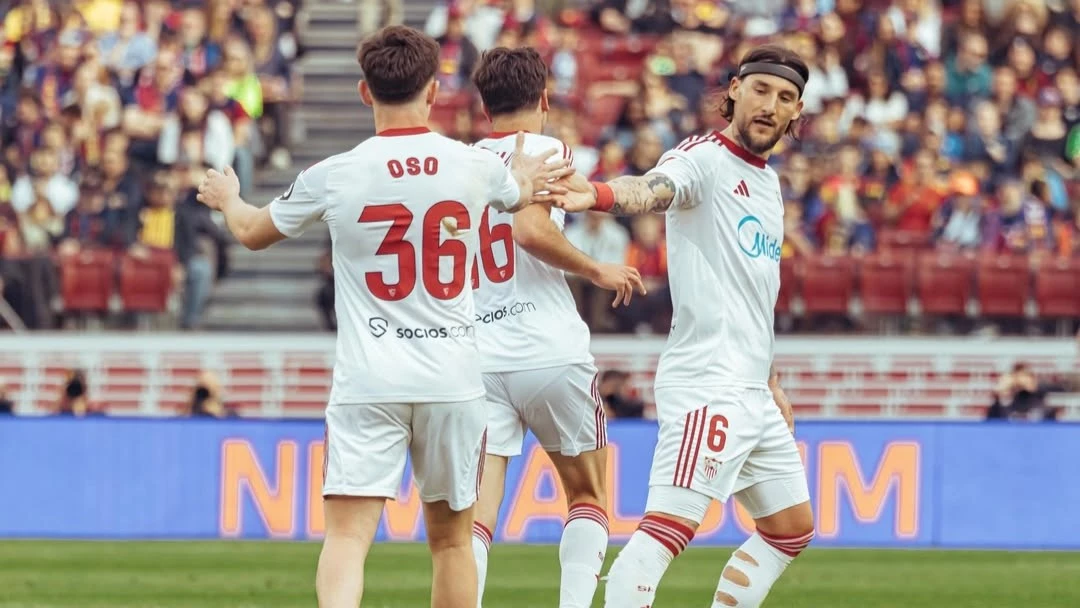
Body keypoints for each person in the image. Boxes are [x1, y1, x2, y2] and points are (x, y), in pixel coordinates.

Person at [195, 25, 573, 608]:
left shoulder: (335, 173)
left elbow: (250, 231)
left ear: (365, 92)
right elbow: (518, 193)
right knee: (453, 543)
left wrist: (227, 198)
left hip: (369, 379)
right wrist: (523, 175)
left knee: (347, 538)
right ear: (434, 89)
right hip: (452, 379)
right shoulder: (471, 165)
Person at [542, 45, 816, 608]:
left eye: (785, 97)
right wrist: (598, 194)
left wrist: (770, 379)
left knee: (790, 529)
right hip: (708, 383)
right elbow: (654, 188)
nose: (770, 105)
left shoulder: (768, 184)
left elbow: (754, 293)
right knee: (664, 534)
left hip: (752, 389)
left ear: (797, 112)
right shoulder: (703, 159)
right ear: (735, 90)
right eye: (761, 90)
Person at [467, 47, 646, 608]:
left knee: (476, 517)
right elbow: (529, 230)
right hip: (547, 348)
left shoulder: (464, 163)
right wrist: (596, 268)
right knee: (588, 495)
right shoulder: (546, 149)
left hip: (479, 358)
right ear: (544, 99)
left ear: (484, 107)